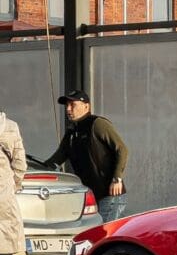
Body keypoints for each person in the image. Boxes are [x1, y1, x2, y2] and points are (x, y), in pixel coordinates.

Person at [45, 90, 129, 223]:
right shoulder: (72, 132)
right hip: (89, 198)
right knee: (91, 237)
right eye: (67, 105)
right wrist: (31, 170)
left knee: (104, 236)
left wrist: (116, 178)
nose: (68, 109)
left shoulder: (97, 124)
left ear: (86, 106)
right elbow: (56, 159)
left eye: (73, 105)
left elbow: (122, 149)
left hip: (110, 196)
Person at [0, 111, 27, 255]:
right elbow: (20, 164)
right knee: (4, 252)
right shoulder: (10, 126)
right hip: (4, 195)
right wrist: (12, 185)